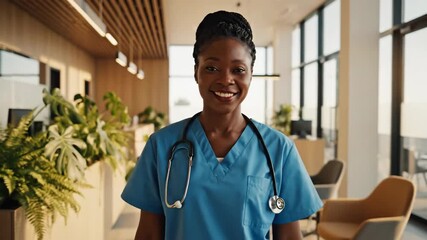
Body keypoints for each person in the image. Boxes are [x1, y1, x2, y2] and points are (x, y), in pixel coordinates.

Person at [122, 10, 322, 240]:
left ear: (250, 75)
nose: (226, 79)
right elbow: (148, 234)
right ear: (196, 72)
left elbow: (288, 237)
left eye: (238, 70)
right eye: (211, 68)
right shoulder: (162, 146)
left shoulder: (278, 149)